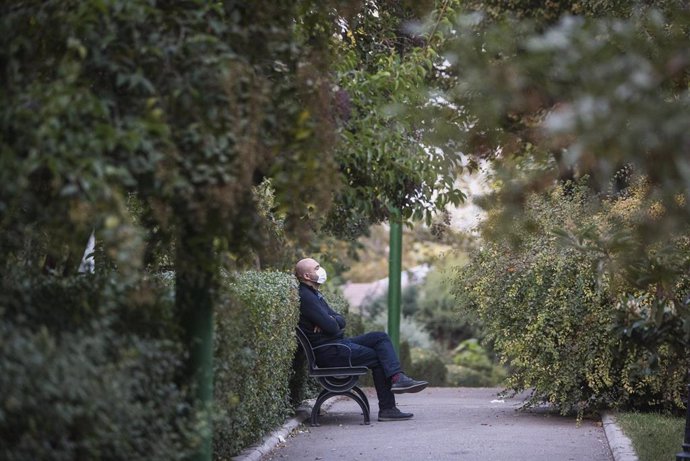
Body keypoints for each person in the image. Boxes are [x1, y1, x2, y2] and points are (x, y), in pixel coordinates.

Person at [295, 257, 428, 422]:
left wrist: (331, 320)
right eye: (317, 268)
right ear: (307, 276)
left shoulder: (315, 294)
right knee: (378, 357)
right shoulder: (306, 297)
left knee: (380, 337)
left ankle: (397, 378)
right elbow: (334, 327)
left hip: (337, 345)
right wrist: (331, 322)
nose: (321, 270)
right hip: (330, 352)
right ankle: (387, 408)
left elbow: (339, 320)